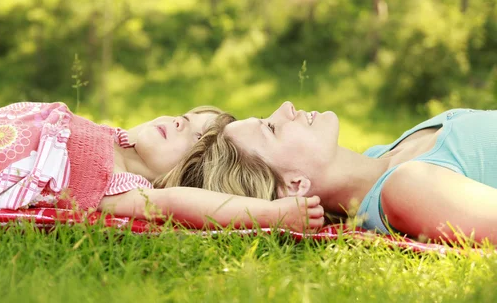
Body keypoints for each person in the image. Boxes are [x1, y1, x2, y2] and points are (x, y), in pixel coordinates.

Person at [0, 102, 324, 231]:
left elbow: (176, 203)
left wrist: (270, 215)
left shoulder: (120, 185)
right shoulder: (110, 135)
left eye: (193, 137)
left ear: (187, 170)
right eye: (186, 117)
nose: (178, 122)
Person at [161, 101, 497, 244]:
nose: (285, 108)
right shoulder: (405, 187)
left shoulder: (382, 157)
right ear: (294, 185)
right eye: (272, 128)